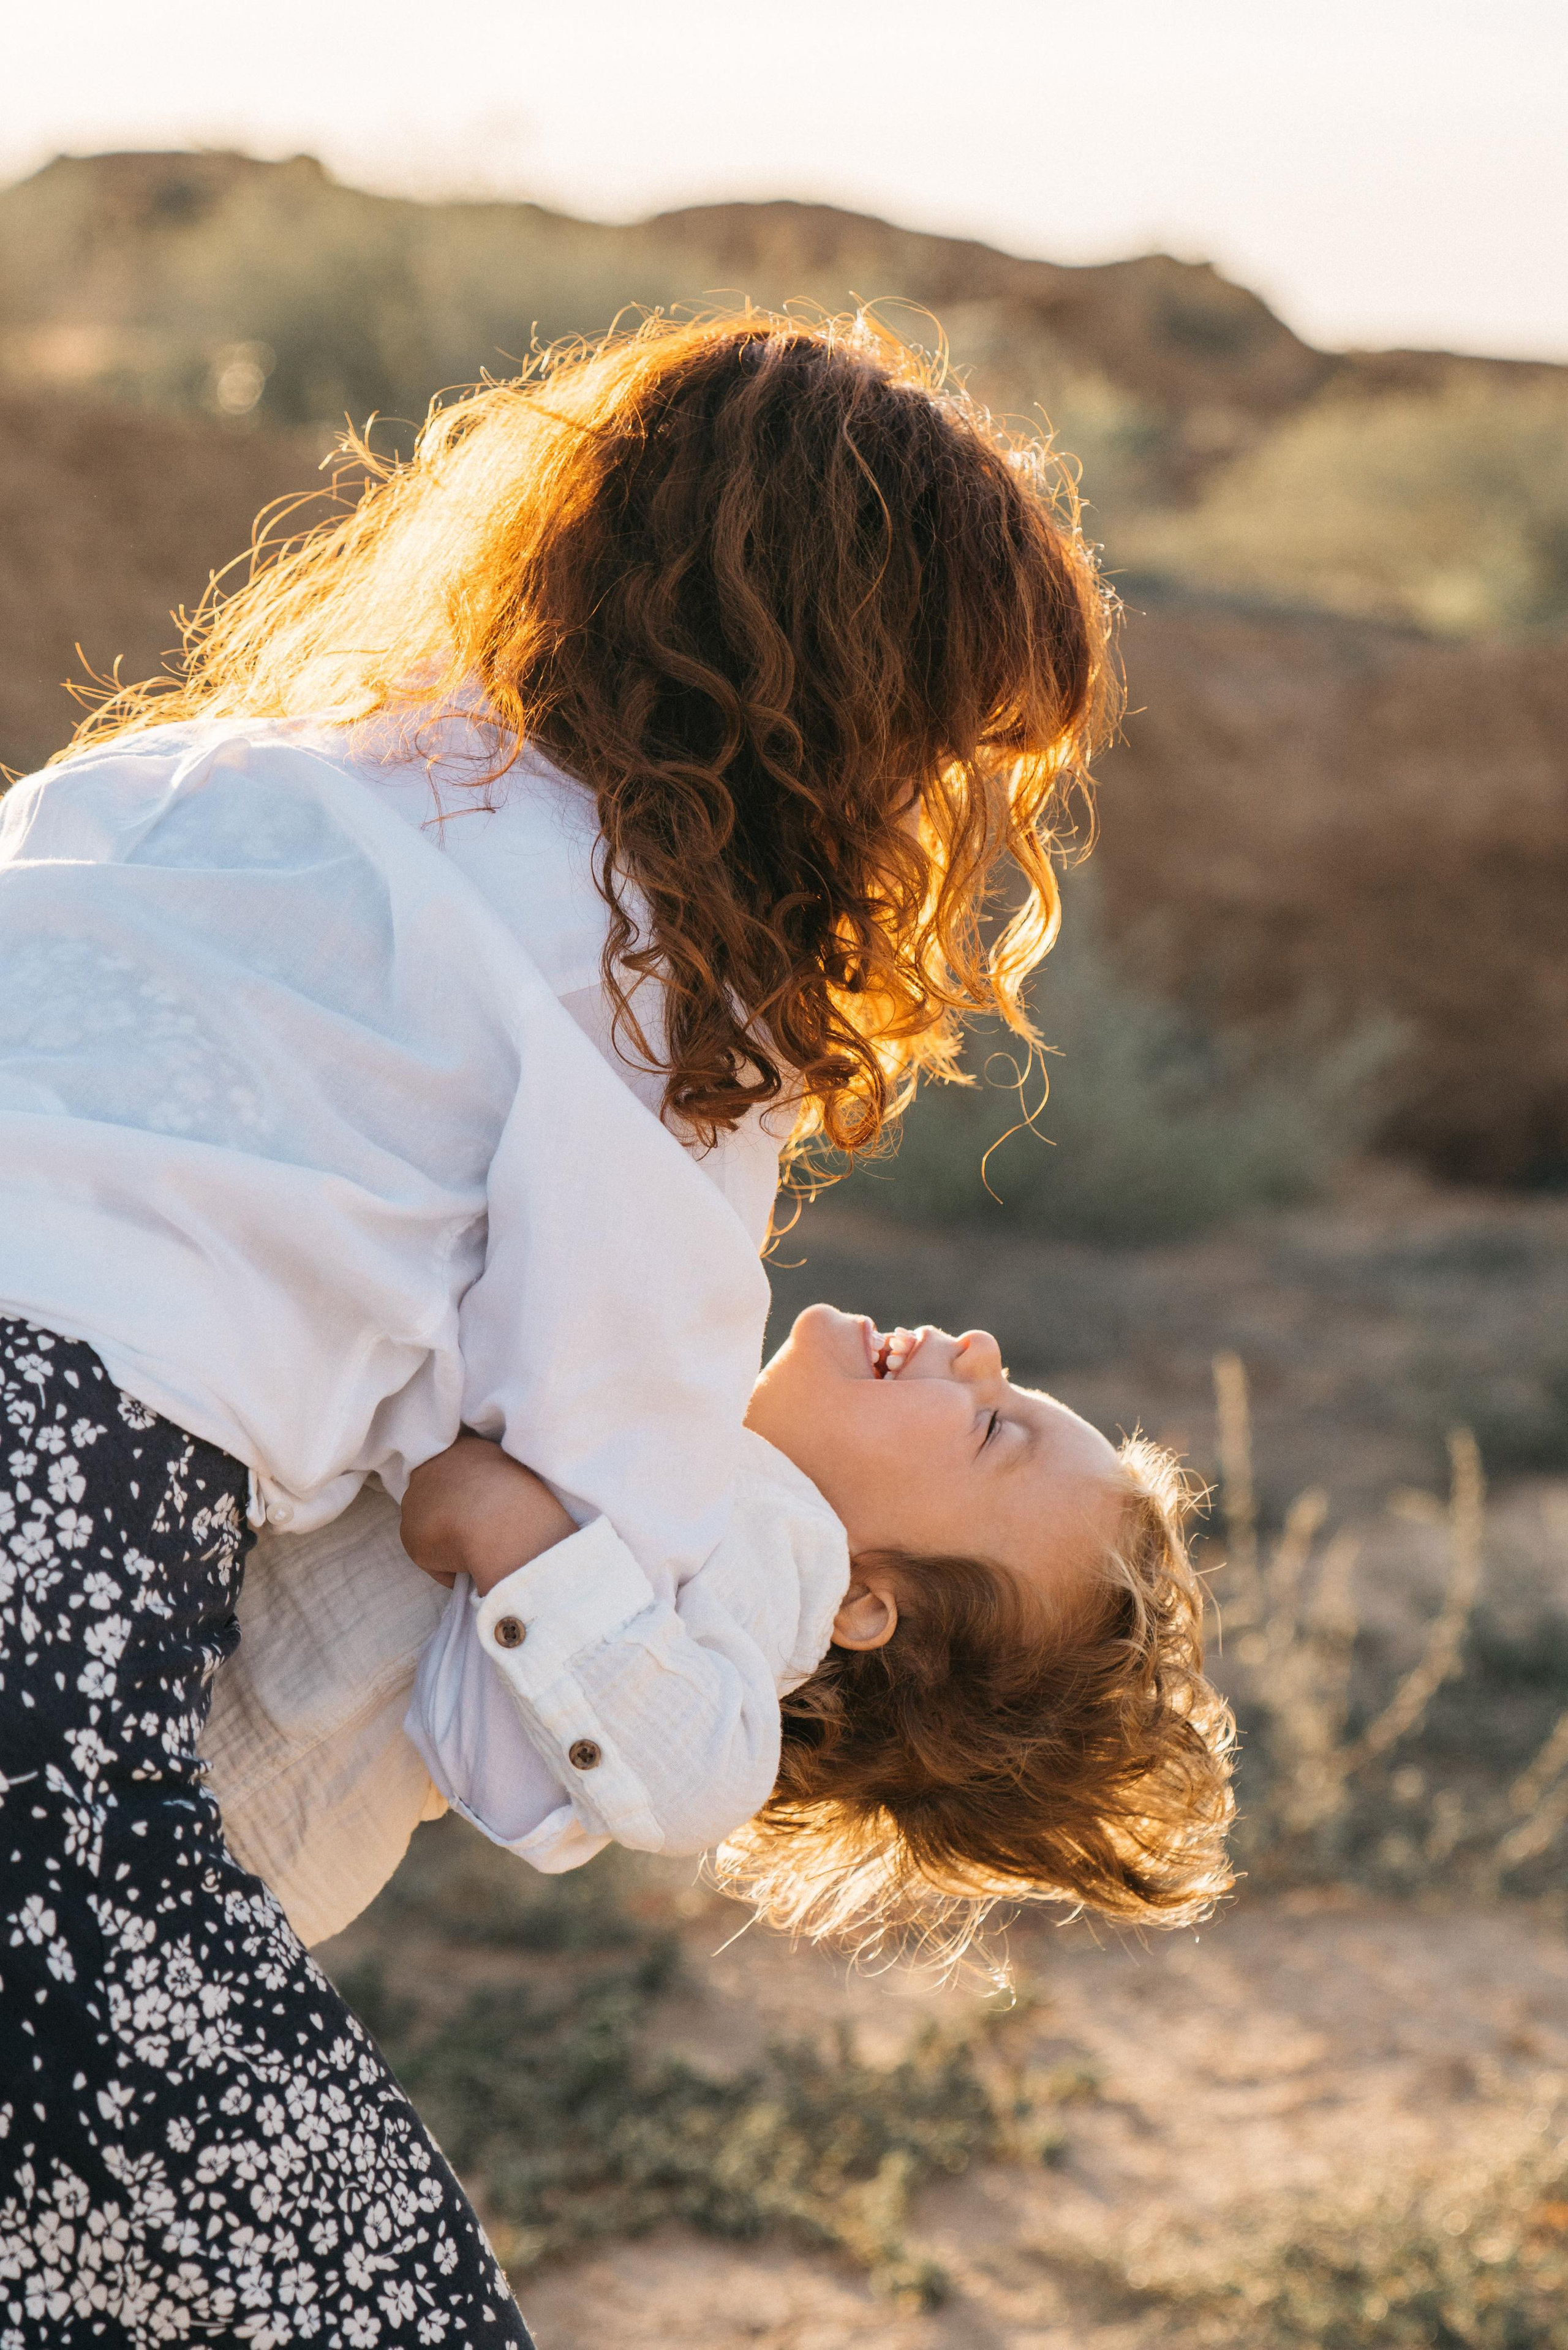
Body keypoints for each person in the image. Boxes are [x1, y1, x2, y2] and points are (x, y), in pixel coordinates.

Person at [0, 311, 1110, 2344]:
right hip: (49, 1452)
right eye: (946, 749)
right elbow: (553, 1455)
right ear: (846, 716)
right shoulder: (665, 995)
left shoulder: (216, 767)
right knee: (338, 2253)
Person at [403, 1309, 1236, 1962]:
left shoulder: (711, 1708)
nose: (982, 1348)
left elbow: (692, 1788)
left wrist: (503, 1519)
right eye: (1009, 1388)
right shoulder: (694, 1479)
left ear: (863, 1605)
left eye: (990, 1427)